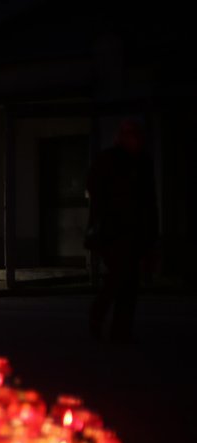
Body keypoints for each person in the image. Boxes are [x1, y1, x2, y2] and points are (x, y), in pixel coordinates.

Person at [85, 118, 158, 343]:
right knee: (120, 278)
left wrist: (151, 236)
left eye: (135, 134)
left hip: (131, 231)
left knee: (127, 282)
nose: (134, 139)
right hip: (113, 231)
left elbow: (149, 201)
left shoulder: (141, 162)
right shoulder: (111, 160)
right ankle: (103, 319)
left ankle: (118, 328)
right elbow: (95, 190)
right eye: (129, 134)